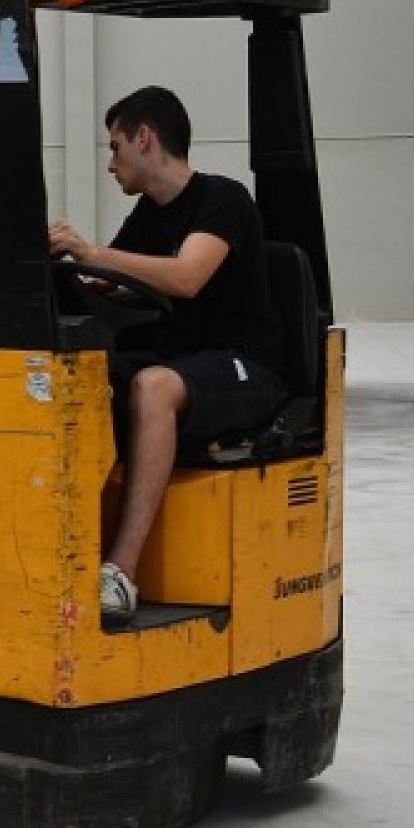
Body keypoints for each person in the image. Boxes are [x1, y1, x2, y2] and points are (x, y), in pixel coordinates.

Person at [47, 86, 287, 624]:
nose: (111, 163)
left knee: (152, 386)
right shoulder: (148, 215)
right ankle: (61, 544)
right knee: (76, 375)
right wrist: (63, 269)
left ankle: (120, 572)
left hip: (246, 366)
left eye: (115, 147)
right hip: (182, 356)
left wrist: (92, 251)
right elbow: (112, 278)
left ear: (145, 138)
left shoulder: (223, 200)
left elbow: (186, 277)